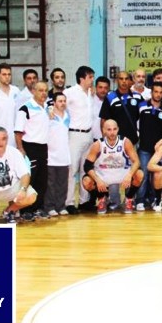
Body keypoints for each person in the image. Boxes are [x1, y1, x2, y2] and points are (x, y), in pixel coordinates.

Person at [82, 119, 144, 214]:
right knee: (86, 181)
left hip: (122, 173)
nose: (112, 132)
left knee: (139, 174)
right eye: (109, 129)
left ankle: (129, 199)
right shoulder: (98, 144)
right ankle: (102, 198)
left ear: (118, 129)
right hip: (104, 175)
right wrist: (97, 180)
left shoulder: (125, 142)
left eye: (114, 129)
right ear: (103, 130)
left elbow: (136, 162)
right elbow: (87, 166)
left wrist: (129, 175)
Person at [15, 81, 51, 221]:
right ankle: (25, 210)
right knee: (30, 179)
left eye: (45, 90)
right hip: (30, 147)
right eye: (40, 90)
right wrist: (21, 149)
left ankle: (38, 208)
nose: (44, 93)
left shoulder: (47, 107)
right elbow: (18, 131)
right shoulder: (25, 109)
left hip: (43, 147)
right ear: (33, 91)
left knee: (42, 180)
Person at [63, 66, 96, 214]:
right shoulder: (69, 92)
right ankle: (69, 203)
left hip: (89, 134)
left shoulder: (90, 93)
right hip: (75, 134)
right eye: (90, 77)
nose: (92, 80)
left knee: (86, 169)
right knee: (72, 170)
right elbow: (58, 105)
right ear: (82, 78)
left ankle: (83, 201)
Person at [136, 81, 162, 211]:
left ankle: (154, 199)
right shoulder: (141, 105)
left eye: (160, 92)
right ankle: (140, 200)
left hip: (159, 150)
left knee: (156, 175)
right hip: (144, 148)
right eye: (155, 92)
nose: (158, 94)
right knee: (144, 175)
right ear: (151, 92)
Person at [99, 71, 144, 146]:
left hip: (133, 141)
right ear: (117, 80)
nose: (124, 81)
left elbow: (147, 110)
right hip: (115, 142)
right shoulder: (110, 97)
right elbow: (103, 120)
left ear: (129, 81)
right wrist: (106, 140)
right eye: (121, 79)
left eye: (126, 79)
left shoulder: (137, 97)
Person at [45, 93, 71, 217]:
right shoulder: (48, 115)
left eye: (64, 101)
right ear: (54, 102)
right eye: (60, 101)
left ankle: (61, 206)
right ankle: (49, 207)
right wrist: (48, 109)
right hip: (50, 155)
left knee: (62, 184)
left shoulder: (68, 115)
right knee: (51, 184)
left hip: (64, 155)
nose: (63, 103)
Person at [91, 76, 110, 141]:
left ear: (109, 88)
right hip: (91, 139)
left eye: (105, 88)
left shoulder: (112, 102)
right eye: (100, 87)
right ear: (96, 87)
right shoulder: (90, 100)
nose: (103, 90)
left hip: (107, 139)